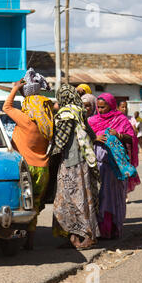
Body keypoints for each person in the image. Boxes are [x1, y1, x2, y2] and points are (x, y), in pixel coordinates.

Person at [3, 68, 53, 250]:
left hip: (26, 168)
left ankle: (13, 238)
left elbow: (6, 107)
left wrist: (15, 88)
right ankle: (30, 242)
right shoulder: (48, 122)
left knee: (18, 203)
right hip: (43, 170)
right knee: (34, 206)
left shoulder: (27, 121)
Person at [51, 85, 100, 249]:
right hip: (82, 161)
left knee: (71, 199)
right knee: (81, 198)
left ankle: (87, 236)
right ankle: (74, 236)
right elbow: (91, 135)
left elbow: (60, 141)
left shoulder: (66, 114)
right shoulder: (79, 111)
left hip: (71, 163)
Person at [88, 93, 138, 239]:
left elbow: (131, 138)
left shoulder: (120, 119)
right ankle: (100, 229)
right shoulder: (92, 120)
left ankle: (112, 229)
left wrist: (119, 135)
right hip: (97, 166)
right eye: (98, 107)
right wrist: (94, 137)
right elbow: (83, 138)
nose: (100, 110)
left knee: (112, 197)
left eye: (103, 107)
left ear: (111, 105)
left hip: (114, 167)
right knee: (99, 197)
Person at [117, 102, 141, 198]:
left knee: (127, 169)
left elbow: (134, 132)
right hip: (118, 147)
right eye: (122, 107)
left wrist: (131, 129)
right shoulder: (116, 119)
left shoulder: (131, 118)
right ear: (118, 107)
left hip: (128, 148)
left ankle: (125, 193)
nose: (124, 109)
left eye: (125, 107)